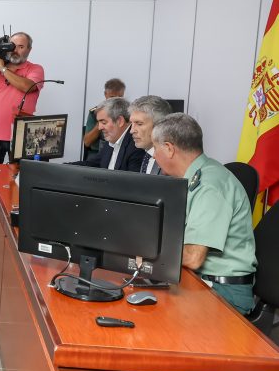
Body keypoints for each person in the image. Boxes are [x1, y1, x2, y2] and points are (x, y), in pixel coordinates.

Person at [151, 113, 257, 314]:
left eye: (155, 148)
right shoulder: (196, 178)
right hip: (200, 281)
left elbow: (193, 257)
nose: (154, 156)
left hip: (223, 292)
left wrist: (145, 253)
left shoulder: (210, 186)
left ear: (169, 148)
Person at [0, 32, 44, 231]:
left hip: (22, 136)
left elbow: (28, 87)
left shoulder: (34, 69)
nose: (16, 50)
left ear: (29, 49)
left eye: (21, 46)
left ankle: (15, 216)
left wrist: (3, 69)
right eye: (12, 45)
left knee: (18, 180)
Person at [69, 97, 145, 171]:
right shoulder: (112, 139)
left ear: (120, 121)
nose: (99, 128)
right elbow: (94, 164)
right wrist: (63, 167)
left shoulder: (137, 146)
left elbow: (131, 181)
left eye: (103, 122)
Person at [128, 95, 174, 175]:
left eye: (139, 124)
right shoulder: (146, 154)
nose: (132, 131)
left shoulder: (170, 161)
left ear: (159, 125)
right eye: (131, 124)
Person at [83, 78, 125, 162]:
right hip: (97, 152)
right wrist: (102, 121)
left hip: (119, 152)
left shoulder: (126, 113)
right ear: (105, 94)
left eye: (119, 98)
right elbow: (87, 142)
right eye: (112, 97)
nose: (115, 101)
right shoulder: (95, 113)